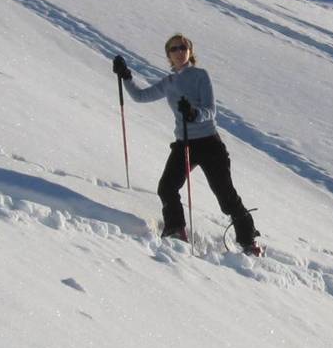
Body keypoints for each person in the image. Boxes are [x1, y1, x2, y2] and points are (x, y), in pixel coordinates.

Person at [112, 34, 261, 253]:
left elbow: (210, 111)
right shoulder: (169, 82)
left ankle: (249, 241)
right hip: (184, 144)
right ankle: (175, 230)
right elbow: (141, 96)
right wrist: (125, 76)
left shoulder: (201, 76)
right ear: (169, 55)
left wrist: (193, 113)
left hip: (209, 143)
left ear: (190, 51)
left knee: (226, 196)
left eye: (183, 47)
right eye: (174, 49)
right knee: (167, 187)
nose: (179, 52)